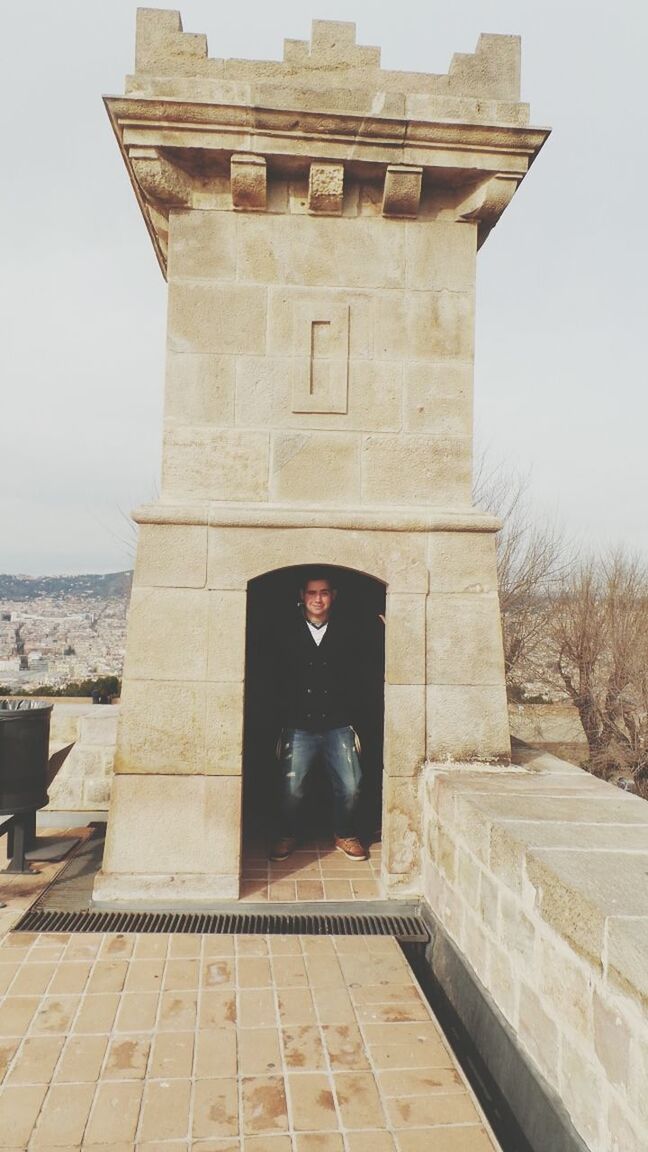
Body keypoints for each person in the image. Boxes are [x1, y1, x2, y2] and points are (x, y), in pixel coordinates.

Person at [268, 569, 368, 862]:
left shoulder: (349, 630)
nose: (317, 599)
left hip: (338, 724)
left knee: (351, 785)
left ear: (333, 596)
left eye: (323, 592)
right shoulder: (285, 631)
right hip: (298, 725)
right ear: (302, 596)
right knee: (291, 788)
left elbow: (361, 677)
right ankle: (287, 834)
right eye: (311, 593)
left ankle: (345, 833)